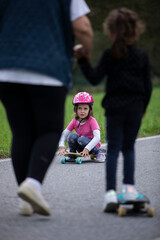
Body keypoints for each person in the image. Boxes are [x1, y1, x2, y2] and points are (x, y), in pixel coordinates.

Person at [0, 0, 93, 216]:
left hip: (6, 69)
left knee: (22, 132)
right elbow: (83, 27)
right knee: (49, 131)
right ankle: (33, 184)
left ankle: (26, 201)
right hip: (48, 69)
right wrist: (86, 50)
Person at [74, 8, 152, 212]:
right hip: (134, 109)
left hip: (114, 110)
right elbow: (148, 86)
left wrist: (82, 59)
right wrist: (143, 107)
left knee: (114, 149)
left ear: (110, 32)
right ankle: (128, 189)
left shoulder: (109, 55)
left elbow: (93, 78)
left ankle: (109, 193)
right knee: (128, 148)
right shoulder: (141, 56)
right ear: (135, 32)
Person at [58, 92, 105, 162]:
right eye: (80, 108)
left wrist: (87, 149)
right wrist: (62, 146)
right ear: (76, 109)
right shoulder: (74, 121)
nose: (82, 111)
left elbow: (97, 137)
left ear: (89, 110)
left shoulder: (92, 121)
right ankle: (72, 155)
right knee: (72, 136)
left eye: (85, 109)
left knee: (81, 139)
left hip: (93, 146)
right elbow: (64, 133)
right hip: (81, 146)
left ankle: (99, 153)